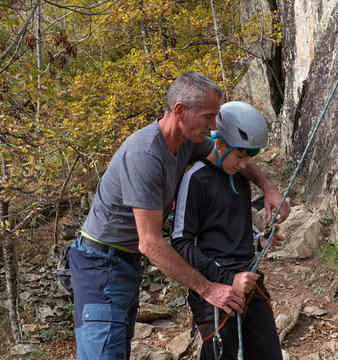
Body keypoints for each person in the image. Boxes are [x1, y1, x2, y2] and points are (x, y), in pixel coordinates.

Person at [68, 72, 290, 360]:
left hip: (125, 266)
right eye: (208, 117)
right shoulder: (145, 155)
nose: (214, 127)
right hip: (100, 266)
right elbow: (150, 243)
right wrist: (210, 288)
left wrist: (269, 189)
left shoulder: (187, 141)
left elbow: (233, 156)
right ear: (180, 111)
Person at [172, 101, 283, 360]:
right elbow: (181, 242)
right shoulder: (196, 179)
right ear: (219, 144)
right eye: (240, 155)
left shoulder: (239, 178)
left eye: (249, 157)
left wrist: (258, 240)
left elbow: (232, 229)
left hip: (249, 281)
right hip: (215, 290)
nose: (244, 165)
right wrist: (224, 279)